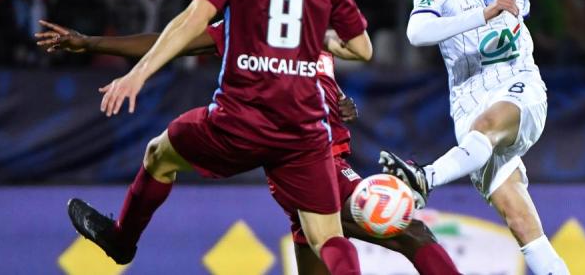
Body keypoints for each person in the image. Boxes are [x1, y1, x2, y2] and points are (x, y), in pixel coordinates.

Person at [66, 0, 371, 274]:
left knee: (159, 155)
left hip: (238, 123)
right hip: (302, 131)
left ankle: (122, 241)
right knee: (328, 237)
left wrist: (137, 76)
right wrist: (324, 39)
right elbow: (363, 48)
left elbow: (189, 22)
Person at [36, 19, 460, 275]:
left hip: (309, 159)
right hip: (311, 159)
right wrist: (92, 43)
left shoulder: (319, 33)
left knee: (158, 154)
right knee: (410, 231)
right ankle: (120, 239)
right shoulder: (251, 27)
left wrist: (339, 102)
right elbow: (175, 39)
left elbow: (323, 81)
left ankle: (120, 239)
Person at [377, 0, 569, 275]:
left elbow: (518, 23)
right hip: (466, 100)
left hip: (519, 85)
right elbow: (417, 34)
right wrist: (483, 14)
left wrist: (497, 15)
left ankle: (426, 177)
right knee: (520, 221)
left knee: (489, 124)